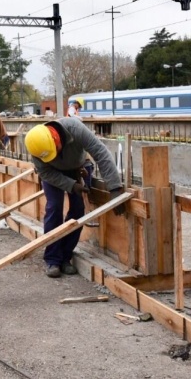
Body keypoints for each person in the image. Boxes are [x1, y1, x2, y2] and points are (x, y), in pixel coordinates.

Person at [24, 118, 124, 278]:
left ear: (57, 139)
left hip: (79, 167)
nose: (53, 156)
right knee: (54, 207)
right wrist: (71, 185)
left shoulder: (74, 128)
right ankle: (52, 259)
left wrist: (114, 187)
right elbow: (45, 173)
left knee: (78, 210)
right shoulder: (36, 146)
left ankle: (65, 257)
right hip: (53, 174)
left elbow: (100, 152)